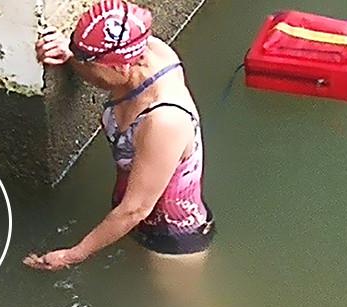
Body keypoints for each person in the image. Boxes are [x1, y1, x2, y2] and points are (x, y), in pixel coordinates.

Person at [24, 0, 215, 271]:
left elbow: (136, 209)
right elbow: (100, 67)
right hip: (131, 217)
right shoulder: (143, 53)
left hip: (171, 239)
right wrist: (68, 52)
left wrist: (72, 256)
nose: (84, 70)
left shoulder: (164, 120)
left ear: (120, 68)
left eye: (89, 65)